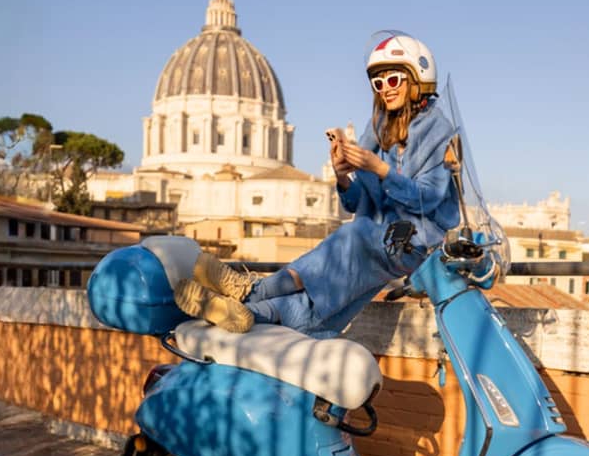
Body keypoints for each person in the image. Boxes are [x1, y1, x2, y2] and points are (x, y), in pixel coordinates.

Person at [172, 32, 461, 338]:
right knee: (320, 314)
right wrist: (342, 174)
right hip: (382, 242)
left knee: (354, 233)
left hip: (412, 245)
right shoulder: (379, 125)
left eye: (393, 80)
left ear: (418, 79)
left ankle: (251, 290)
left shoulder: (438, 128)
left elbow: (426, 198)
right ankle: (249, 313)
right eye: (379, 83)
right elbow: (356, 202)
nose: (385, 89)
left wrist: (379, 168)